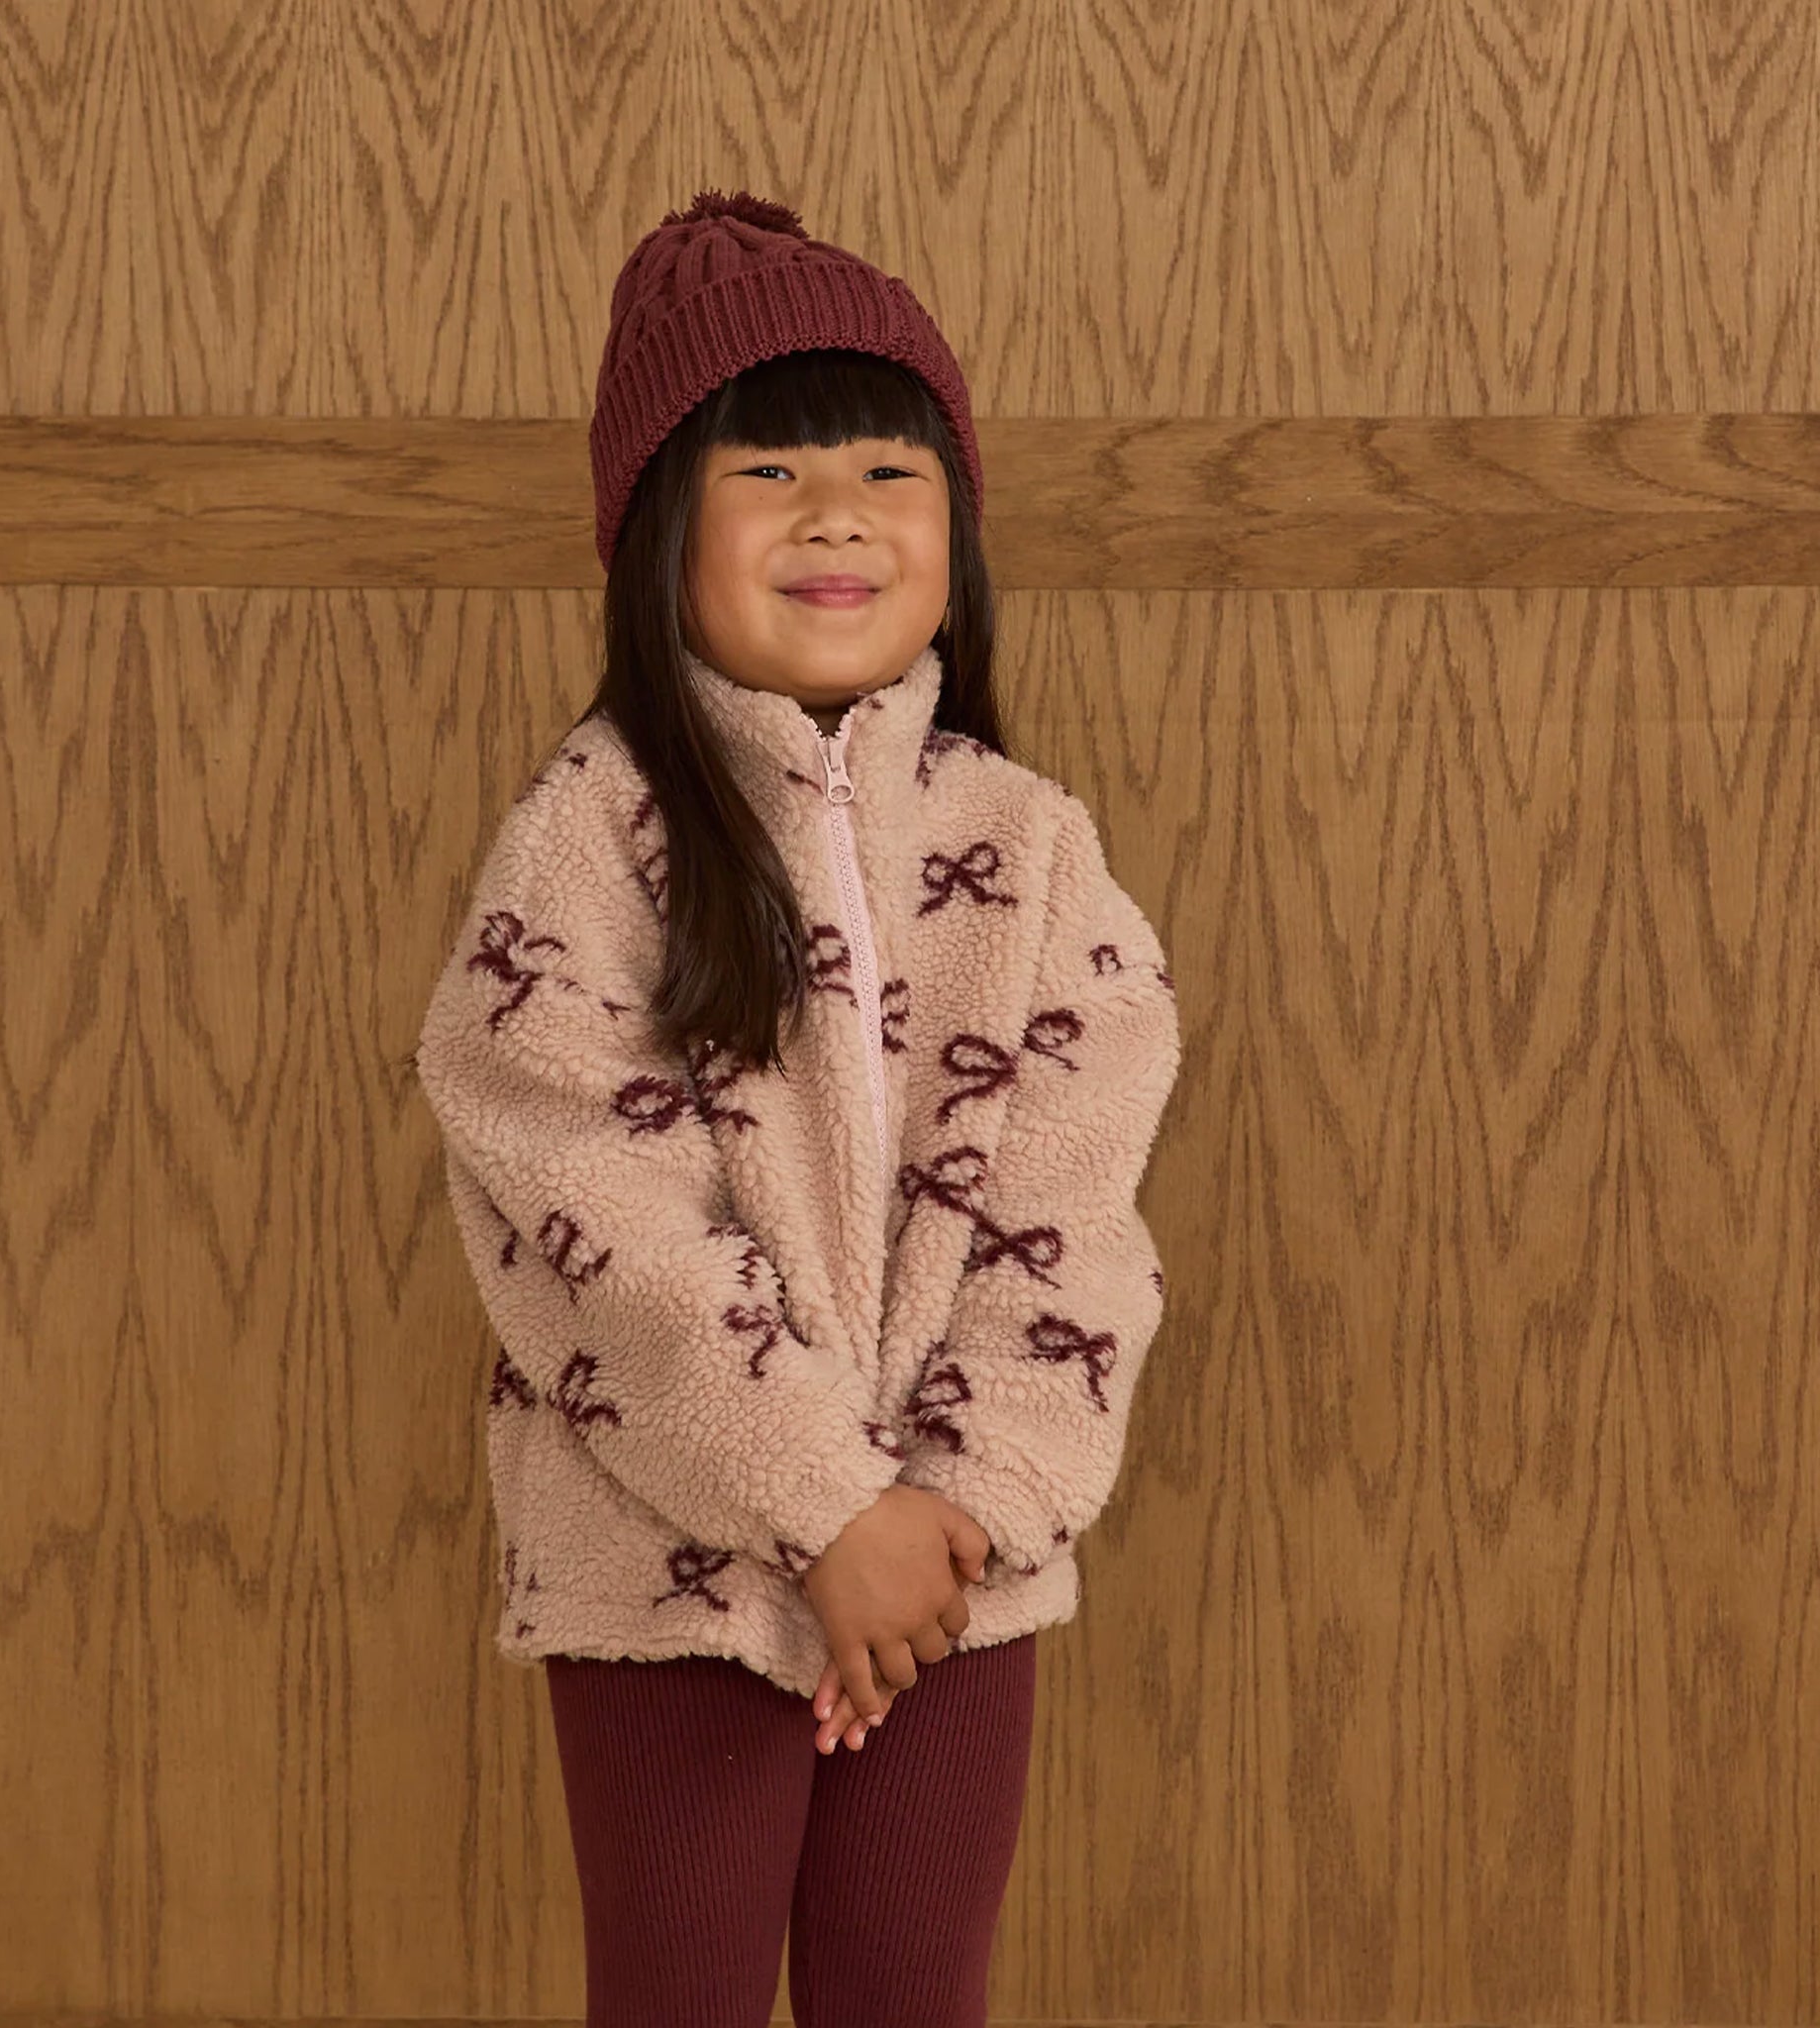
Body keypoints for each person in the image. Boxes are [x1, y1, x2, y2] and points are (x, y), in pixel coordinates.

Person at [415, 187, 1182, 2028]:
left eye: (887, 472)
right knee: (671, 1996)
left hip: (949, 1580)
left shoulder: (1031, 847)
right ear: (657, 531)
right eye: (768, 472)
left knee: (915, 1996)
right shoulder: (588, 843)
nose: (836, 510)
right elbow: (586, 1206)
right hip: (666, 1562)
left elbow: (1073, 1213)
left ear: (956, 530)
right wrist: (816, 1505)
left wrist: (950, 1513)